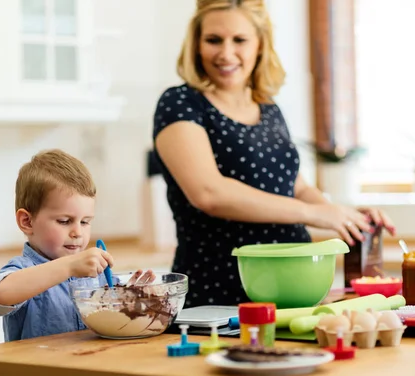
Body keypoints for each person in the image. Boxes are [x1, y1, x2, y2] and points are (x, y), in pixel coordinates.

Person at [151, 0, 396, 308]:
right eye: (213, 40)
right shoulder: (180, 103)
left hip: (294, 285)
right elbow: (208, 192)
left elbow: (297, 187)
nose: (226, 53)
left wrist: (344, 216)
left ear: (260, 45)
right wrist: (313, 213)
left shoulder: (268, 108)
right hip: (219, 288)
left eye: (239, 40)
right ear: (196, 45)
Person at [0, 149, 154, 341]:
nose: (78, 232)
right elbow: (0, 295)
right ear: (27, 221)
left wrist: (125, 299)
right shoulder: (23, 270)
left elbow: (110, 326)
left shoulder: (97, 276)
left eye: (85, 222)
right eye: (64, 221)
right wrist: (70, 266)